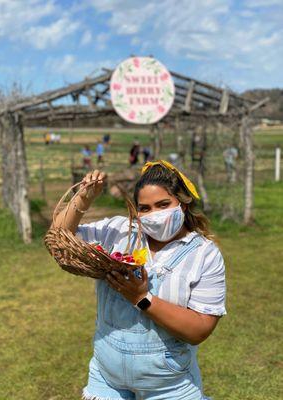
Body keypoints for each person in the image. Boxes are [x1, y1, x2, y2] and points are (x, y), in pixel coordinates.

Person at [52, 160, 227, 400]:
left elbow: (199, 329)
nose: (154, 215)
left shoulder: (204, 254)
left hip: (170, 386)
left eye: (163, 204)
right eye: (144, 208)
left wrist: (141, 298)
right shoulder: (120, 231)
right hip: (107, 378)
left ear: (183, 205)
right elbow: (59, 238)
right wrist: (83, 198)